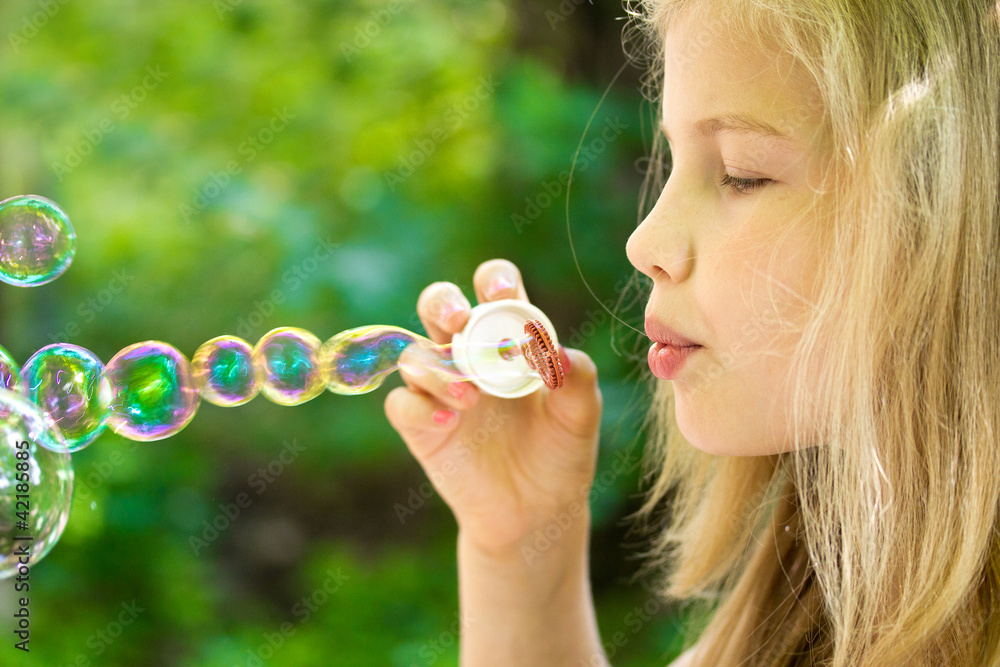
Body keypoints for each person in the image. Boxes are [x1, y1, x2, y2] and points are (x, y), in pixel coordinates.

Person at [383, 0, 1000, 664]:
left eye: (741, 173)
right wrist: (521, 541)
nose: (643, 242)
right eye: (672, 161)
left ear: (942, 205)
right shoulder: (808, 599)